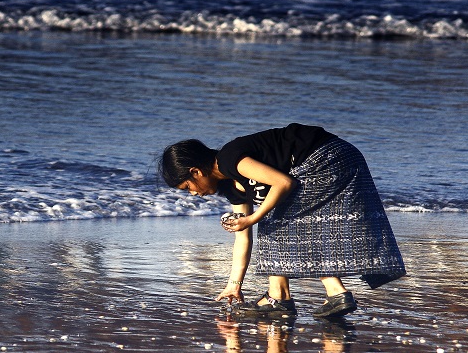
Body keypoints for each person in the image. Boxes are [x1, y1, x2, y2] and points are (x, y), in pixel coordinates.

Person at [158, 123, 405, 318]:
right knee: (278, 219)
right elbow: (243, 238)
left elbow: (284, 183)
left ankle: (292, 296)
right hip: (329, 159)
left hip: (329, 155)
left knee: (276, 220)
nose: (194, 193)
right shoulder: (232, 188)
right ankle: (301, 295)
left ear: (196, 172)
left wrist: (254, 217)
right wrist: (234, 284)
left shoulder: (230, 158)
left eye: (188, 187)